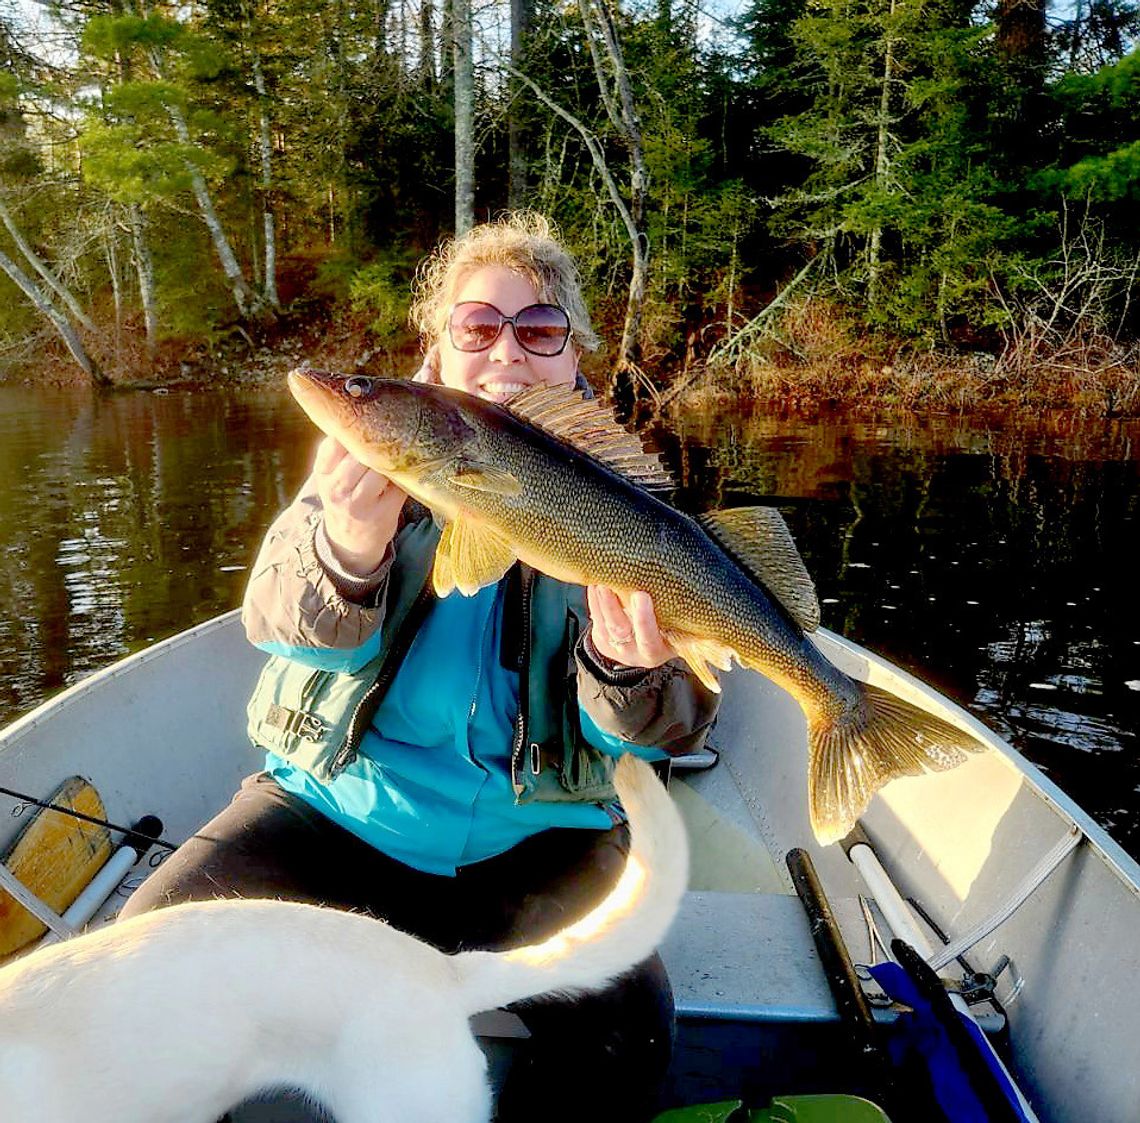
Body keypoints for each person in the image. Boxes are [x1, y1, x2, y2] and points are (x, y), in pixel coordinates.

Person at [120, 213, 720, 1122]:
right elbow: (280, 626)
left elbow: (668, 729)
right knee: (140, 964)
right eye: (477, 326)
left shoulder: (627, 499)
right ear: (436, 348)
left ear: (573, 355)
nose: (508, 352)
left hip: (538, 844)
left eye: (540, 329)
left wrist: (629, 671)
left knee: (629, 1027)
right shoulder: (366, 457)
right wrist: (348, 544)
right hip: (333, 815)